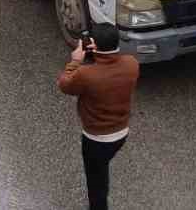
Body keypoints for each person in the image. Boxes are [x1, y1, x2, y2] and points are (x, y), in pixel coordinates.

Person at [57, 23, 139, 210]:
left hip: (96, 139)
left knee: (96, 183)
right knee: (101, 168)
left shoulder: (86, 74)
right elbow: (110, 68)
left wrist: (76, 61)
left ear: (93, 46)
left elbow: (64, 85)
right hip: (121, 132)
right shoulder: (132, 64)